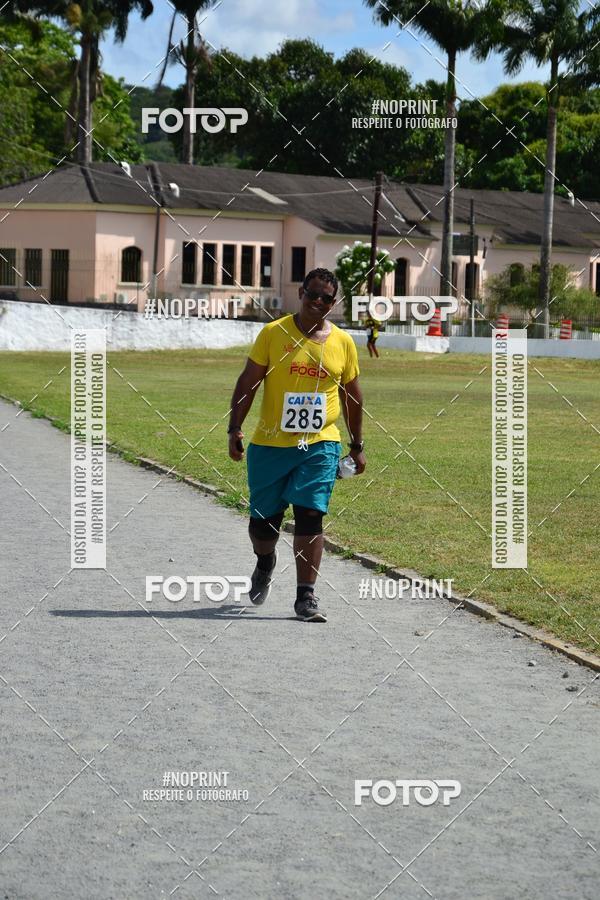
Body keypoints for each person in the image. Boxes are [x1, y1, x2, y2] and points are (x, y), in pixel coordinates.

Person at [227, 268, 366, 622]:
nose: (318, 302)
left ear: (333, 304)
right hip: (270, 444)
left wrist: (357, 444)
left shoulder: (343, 343)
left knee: (310, 513)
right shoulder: (274, 334)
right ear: (301, 293)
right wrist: (235, 428)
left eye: (326, 298)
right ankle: (265, 561)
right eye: (312, 294)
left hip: (320, 444)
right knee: (264, 523)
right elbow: (249, 382)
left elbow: (352, 396)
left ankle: (306, 596)